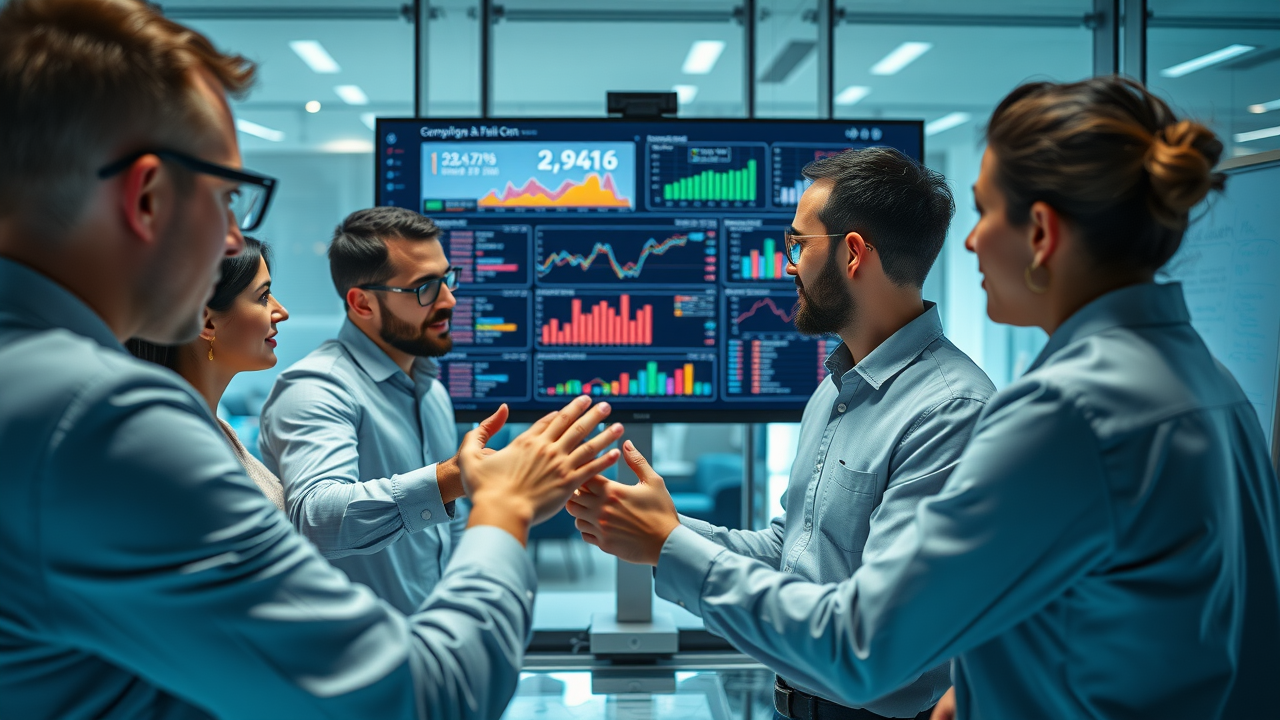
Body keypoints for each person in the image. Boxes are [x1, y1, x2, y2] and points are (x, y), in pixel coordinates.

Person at [568, 76, 1280, 720]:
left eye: (985, 211)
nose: (967, 244)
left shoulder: (1061, 413)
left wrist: (669, 547)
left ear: (1040, 233)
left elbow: (864, 647)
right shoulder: (1214, 387)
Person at [0, 1, 623, 718]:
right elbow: (428, 698)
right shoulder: (102, 422)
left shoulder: (35, 387)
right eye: (227, 199)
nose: (232, 241)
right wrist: (504, 506)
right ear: (147, 197)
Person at [570, 147, 995, 719]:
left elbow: (872, 647)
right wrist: (662, 527)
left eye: (798, 244)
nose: (788, 265)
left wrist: (668, 546)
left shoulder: (949, 413)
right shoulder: (836, 388)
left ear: (852, 254)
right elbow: (791, 555)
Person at [257, 207, 478, 613]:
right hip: (352, 650)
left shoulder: (431, 390)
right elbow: (317, 518)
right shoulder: (316, 388)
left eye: (447, 279)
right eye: (425, 287)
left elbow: (450, 528)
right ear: (362, 304)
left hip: (432, 640)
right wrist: (449, 478)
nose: (449, 299)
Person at [127, 236, 290, 509]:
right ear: (206, 322)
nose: (281, 312)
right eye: (263, 297)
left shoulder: (216, 429)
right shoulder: (177, 445)